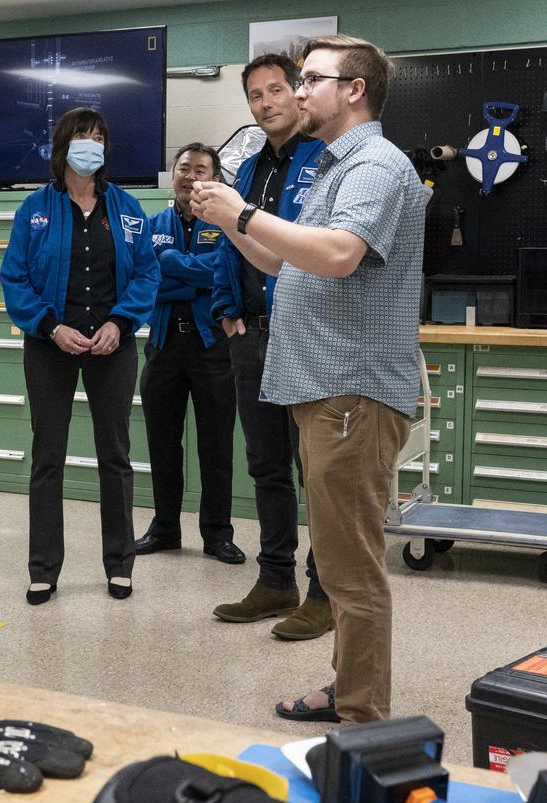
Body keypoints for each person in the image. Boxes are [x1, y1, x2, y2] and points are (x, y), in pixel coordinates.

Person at [192, 34, 428, 724]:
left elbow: (338, 254)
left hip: (351, 391)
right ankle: (348, 686)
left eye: (311, 80)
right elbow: (281, 262)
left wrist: (239, 211)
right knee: (338, 553)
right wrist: (229, 217)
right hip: (325, 391)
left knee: (352, 572)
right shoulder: (334, 168)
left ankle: (362, 720)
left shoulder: (376, 165)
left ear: (354, 89)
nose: (296, 93)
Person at [1, 107, 159, 605]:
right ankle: (43, 568)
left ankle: (120, 563)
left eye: (98, 138)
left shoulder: (127, 208)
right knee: (47, 457)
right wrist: (50, 326)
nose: (91, 145)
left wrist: (121, 322)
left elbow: (146, 275)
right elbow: (15, 278)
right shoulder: (36, 210)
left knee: (115, 456)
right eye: (82, 137)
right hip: (52, 346)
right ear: (63, 147)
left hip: (111, 346)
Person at [207, 54, 333, 641]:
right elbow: (231, 245)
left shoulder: (328, 160)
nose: (266, 104)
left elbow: (312, 249)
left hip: (306, 338)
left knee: (318, 471)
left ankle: (324, 590)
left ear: (299, 93)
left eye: (277, 90)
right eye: (255, 95)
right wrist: (227, 312)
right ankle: (276, 578)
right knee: (266, 467)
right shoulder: (250, 169)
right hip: (251, 337)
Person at [134, 143, 244, 566]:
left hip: (212, 347)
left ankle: (218, 534)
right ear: (173, 173)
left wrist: (171, 263)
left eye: (201, 169)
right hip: (163, 346)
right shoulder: (150, 224)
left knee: (216, 446)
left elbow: (223, 272)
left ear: (213, 177)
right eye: (184, 168)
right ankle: (164, 529)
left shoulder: (227, 223)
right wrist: (190, 274)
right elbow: (147, 283)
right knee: (162, 444)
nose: (190, 175)